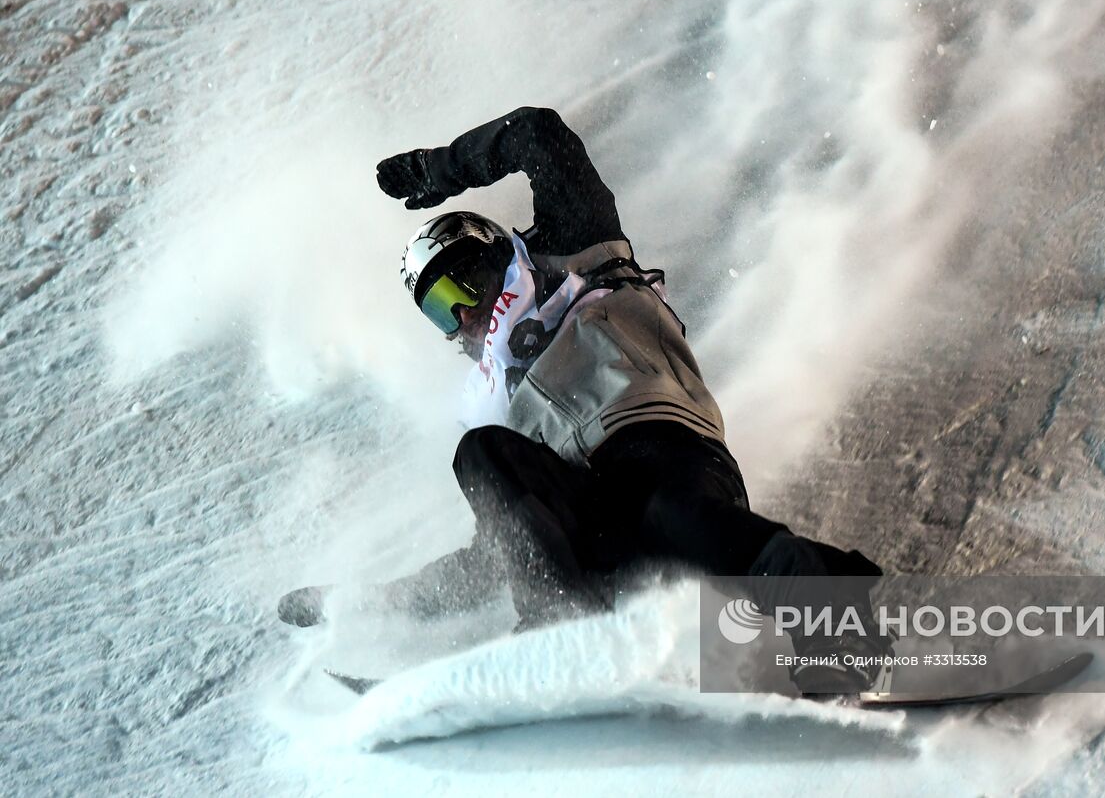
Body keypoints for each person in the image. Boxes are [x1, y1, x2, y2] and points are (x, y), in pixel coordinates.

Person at [279, 106, 888, 694]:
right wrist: (357, 602)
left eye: (462, 283)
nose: (464, 313)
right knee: (481, 453)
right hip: (595, 533)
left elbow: (539, 135)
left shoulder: (574, 254)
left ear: (494, 251)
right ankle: (562, 631)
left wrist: (444, 167)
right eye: (441, 307)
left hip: (668, 456)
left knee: (668, 514)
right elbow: (498, 555)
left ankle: (848, 623)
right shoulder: (497, 398)